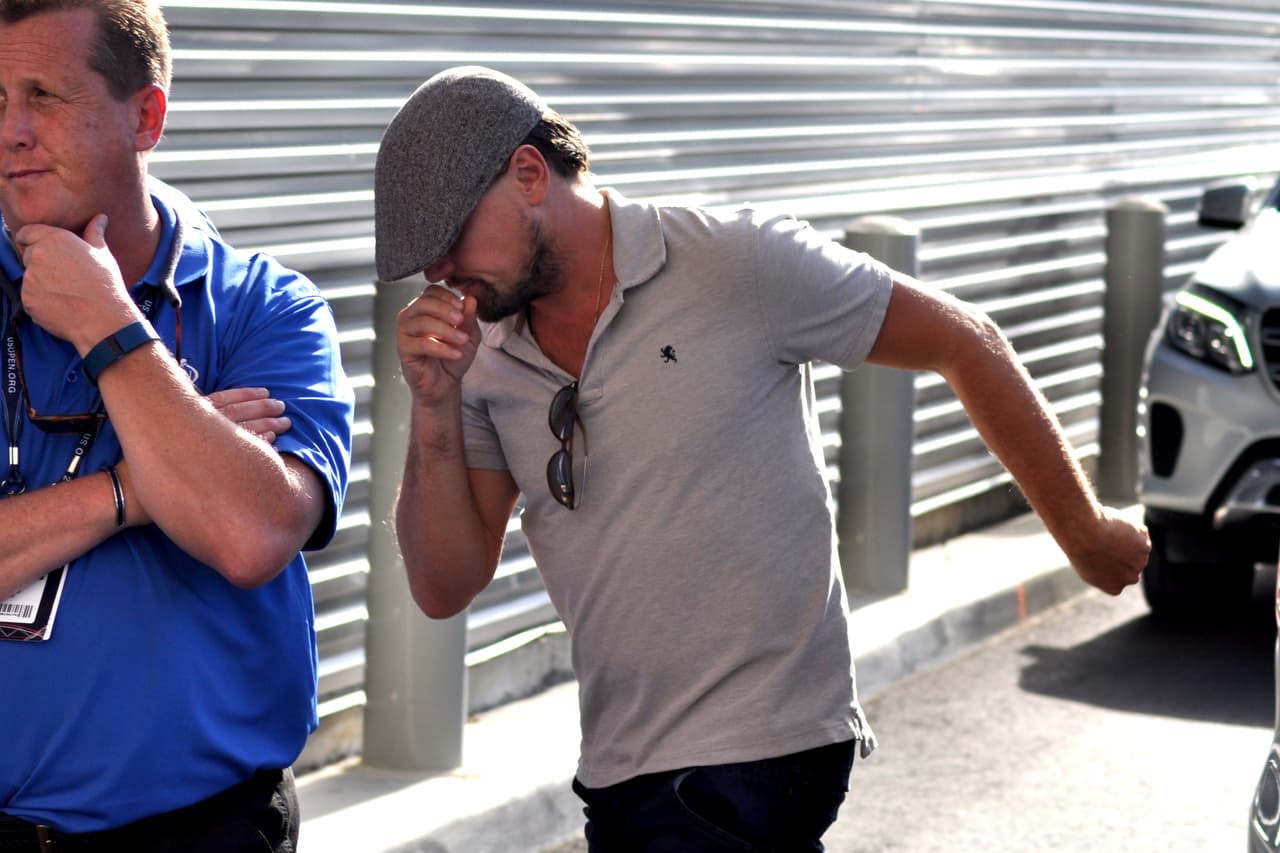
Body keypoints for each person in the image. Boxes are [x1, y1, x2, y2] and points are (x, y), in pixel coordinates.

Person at [375, 66, 1149, 851]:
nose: (439, 275)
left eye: (449, 239)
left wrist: (1081, 530)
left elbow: (964, 341)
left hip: (762, 749)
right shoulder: (482, 359)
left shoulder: (734, 262)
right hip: (624, 765)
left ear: (530, 174)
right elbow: (444, 585)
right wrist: (434, 405)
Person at [0, 1, 354, 850]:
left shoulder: (267, 308)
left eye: (44, 96)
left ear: (146, 116)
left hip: (202, 831)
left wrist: (108, 327)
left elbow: (250, 530)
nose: (10, 131)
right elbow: (209, 497)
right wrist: (136, 486)